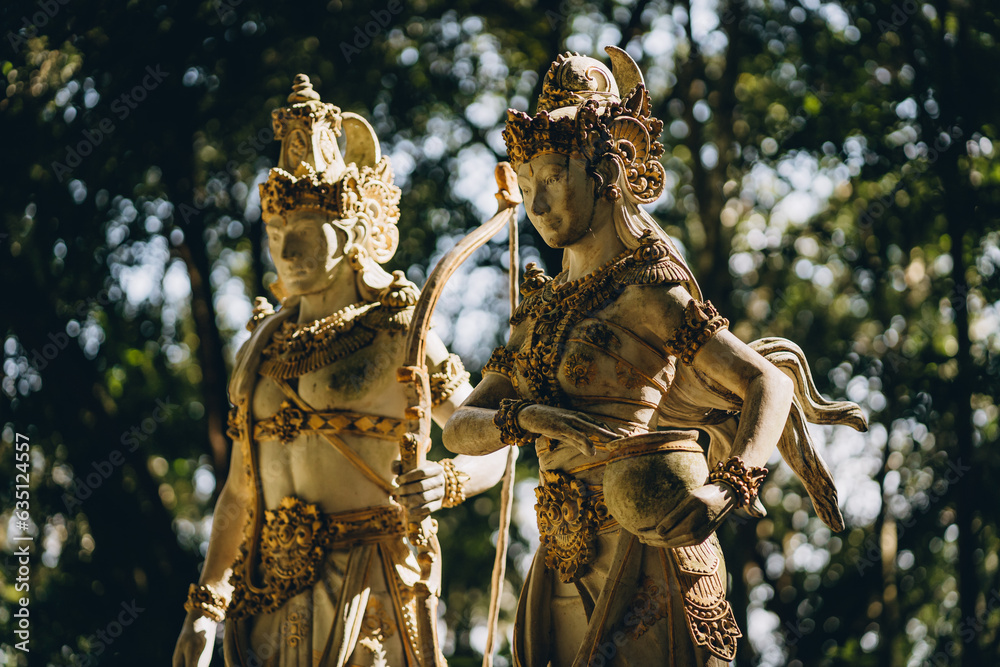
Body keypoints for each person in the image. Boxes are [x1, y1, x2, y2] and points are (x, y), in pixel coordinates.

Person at [442, 49, 864, 666]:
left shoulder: (648, 289)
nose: (535, 205)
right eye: (526, 184)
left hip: (648, 547)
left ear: (605, 173)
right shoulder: (537, 312)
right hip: (558, 561)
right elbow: (458, 430)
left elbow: (764, 382)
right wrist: (526, 419)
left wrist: (731, 486)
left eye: (554, 178)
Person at [173, 75, 507, 667]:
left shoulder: (399, 331)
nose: (288, 253)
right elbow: (239, 492)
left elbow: (497, 444)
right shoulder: (261, 347)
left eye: (304, 233)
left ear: (351, 233)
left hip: (370, 593)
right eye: (277, 235)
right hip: (267, 600)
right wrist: (207, 605)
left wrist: (446, 481)